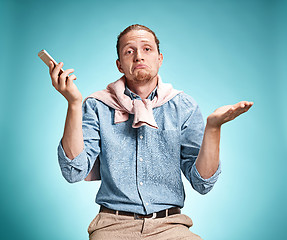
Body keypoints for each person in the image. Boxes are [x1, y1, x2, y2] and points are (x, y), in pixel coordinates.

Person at [49, 24, 253, 240]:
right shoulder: (97, 105)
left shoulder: (184, 106)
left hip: (170, 226)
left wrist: (214, 128)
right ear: (119, 65)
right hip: (112, 227)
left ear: (159, 59)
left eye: (147, 49)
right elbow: (74, 171)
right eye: (129, 51)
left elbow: (202, 183)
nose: (138, 56)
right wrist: (73, 103)